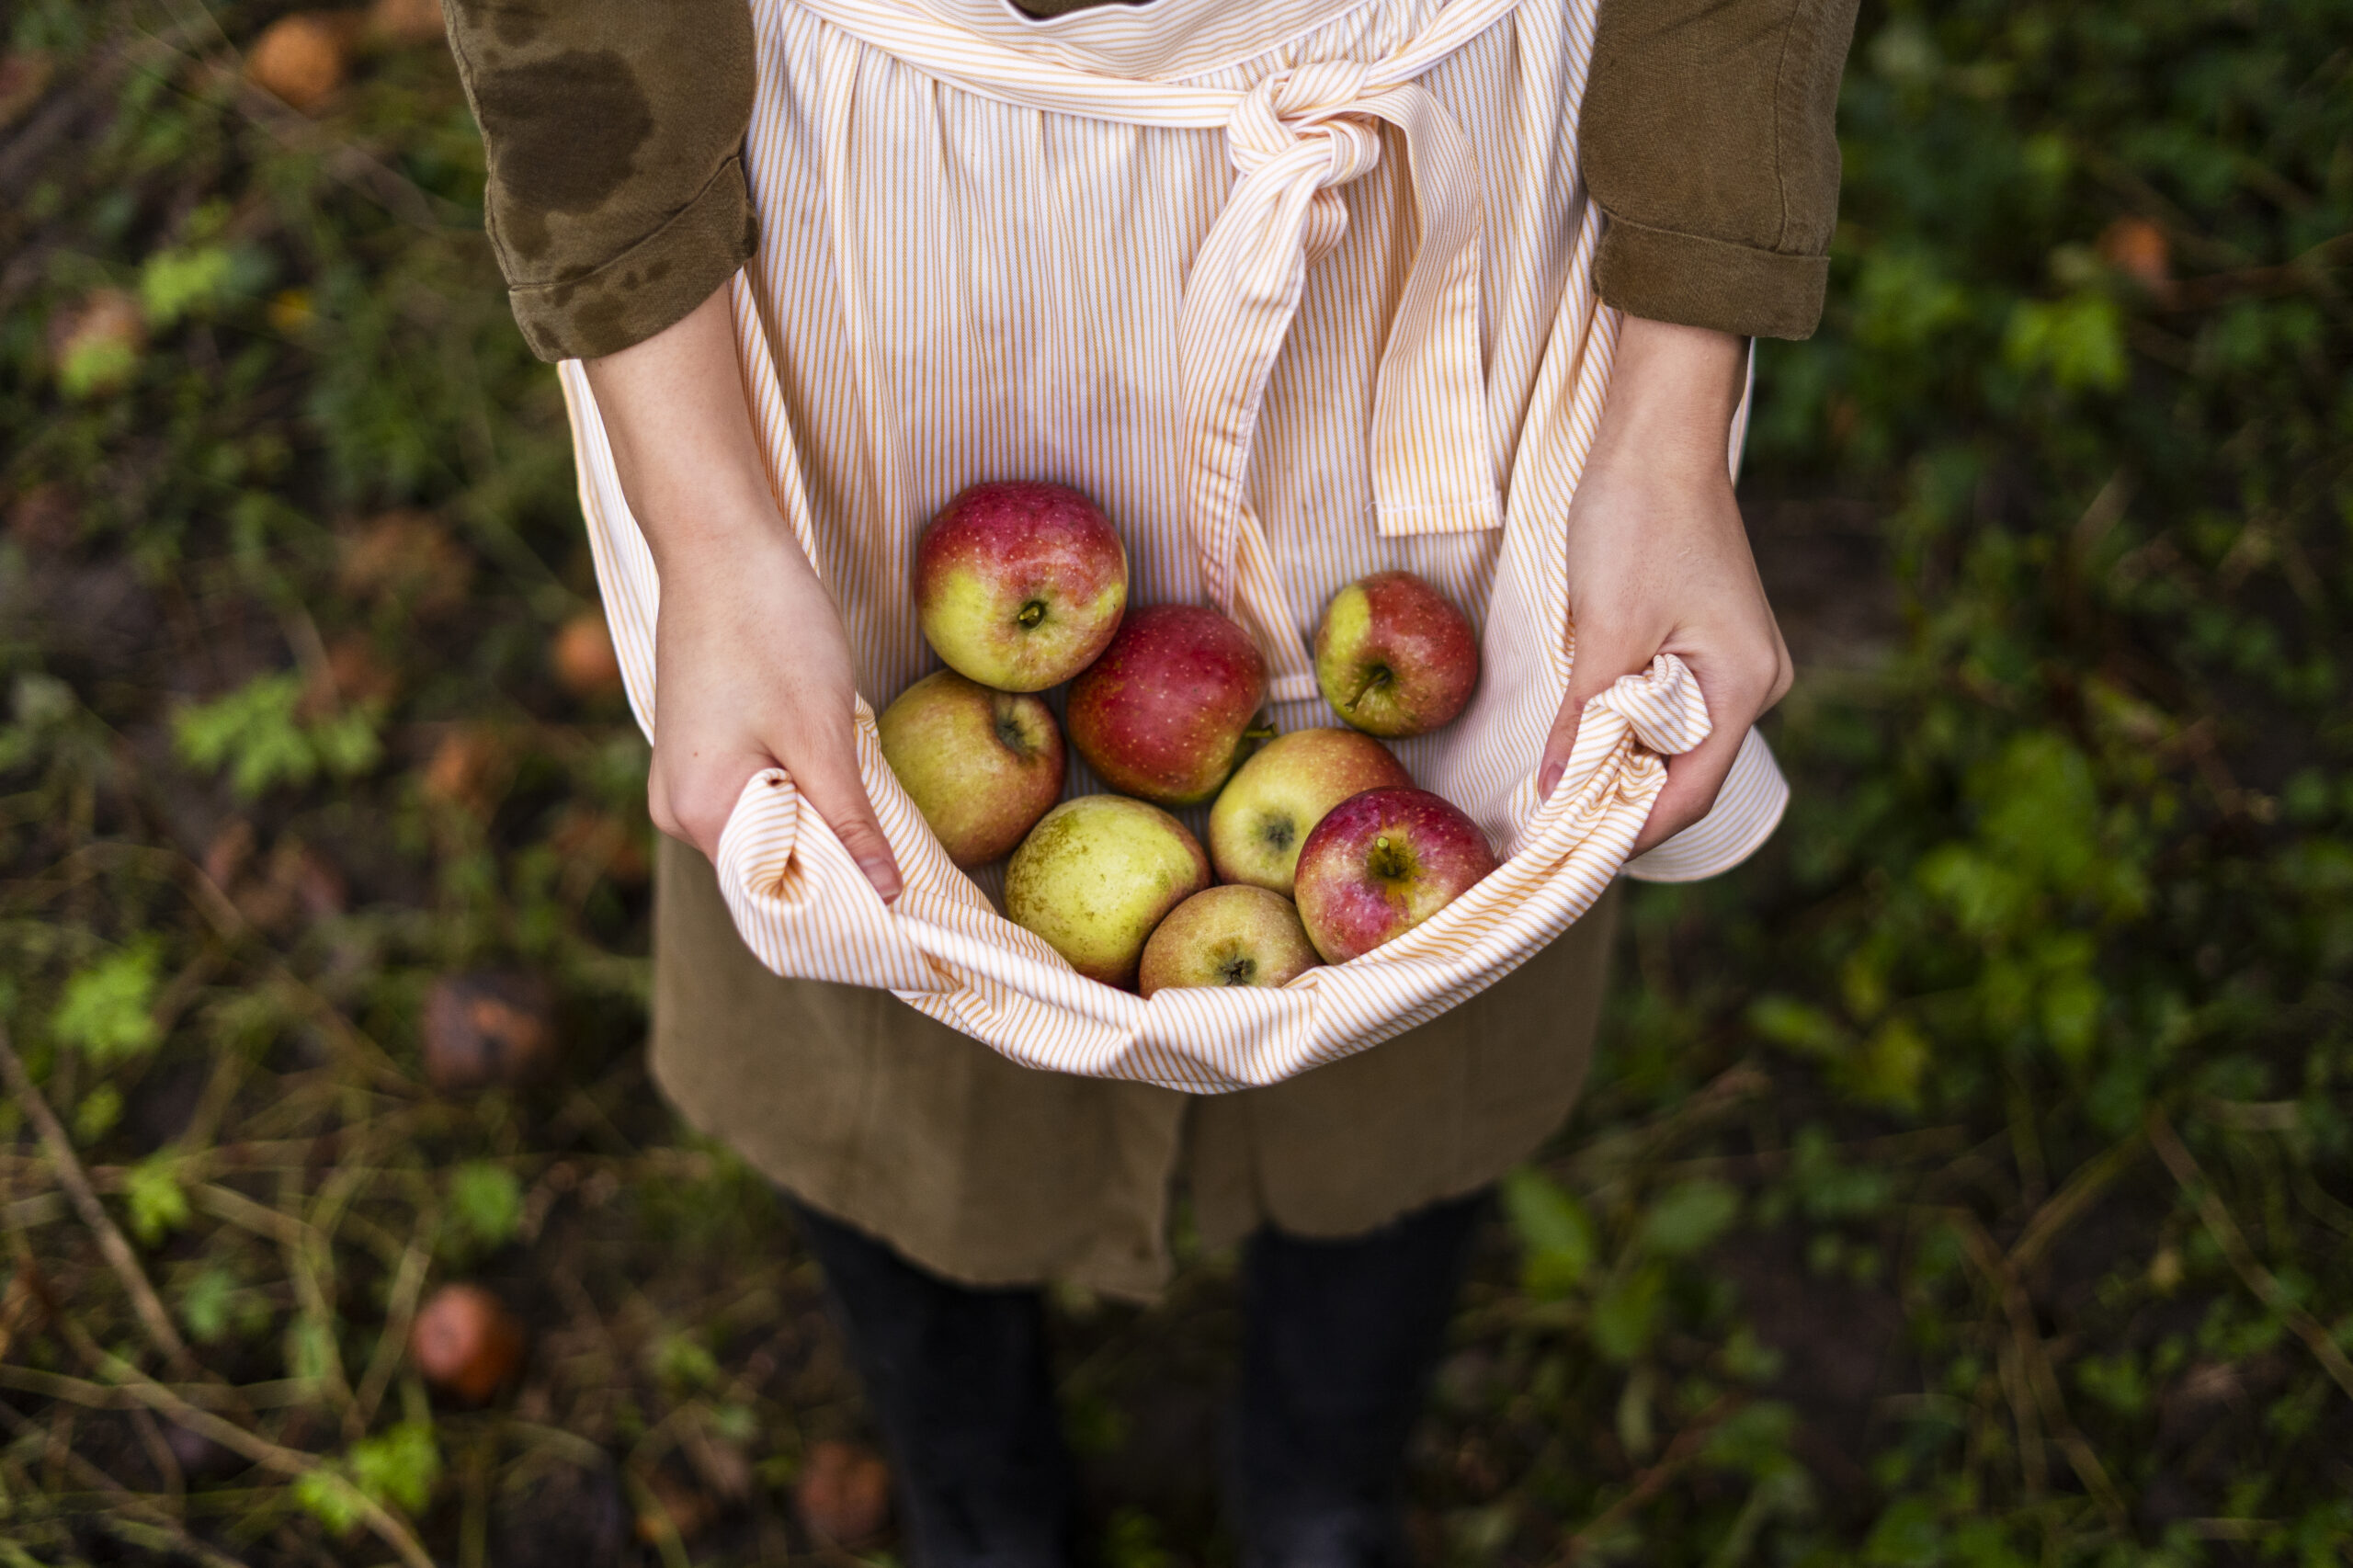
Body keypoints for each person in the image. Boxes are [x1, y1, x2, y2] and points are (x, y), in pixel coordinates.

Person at [445, 0, 1855, 1560]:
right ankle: (978, 1498)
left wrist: (1667, 420)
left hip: (1426, 221)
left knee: (1456, 925)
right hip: (893, 232)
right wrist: (710, 519)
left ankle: (1322, 1484)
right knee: (859, 893)